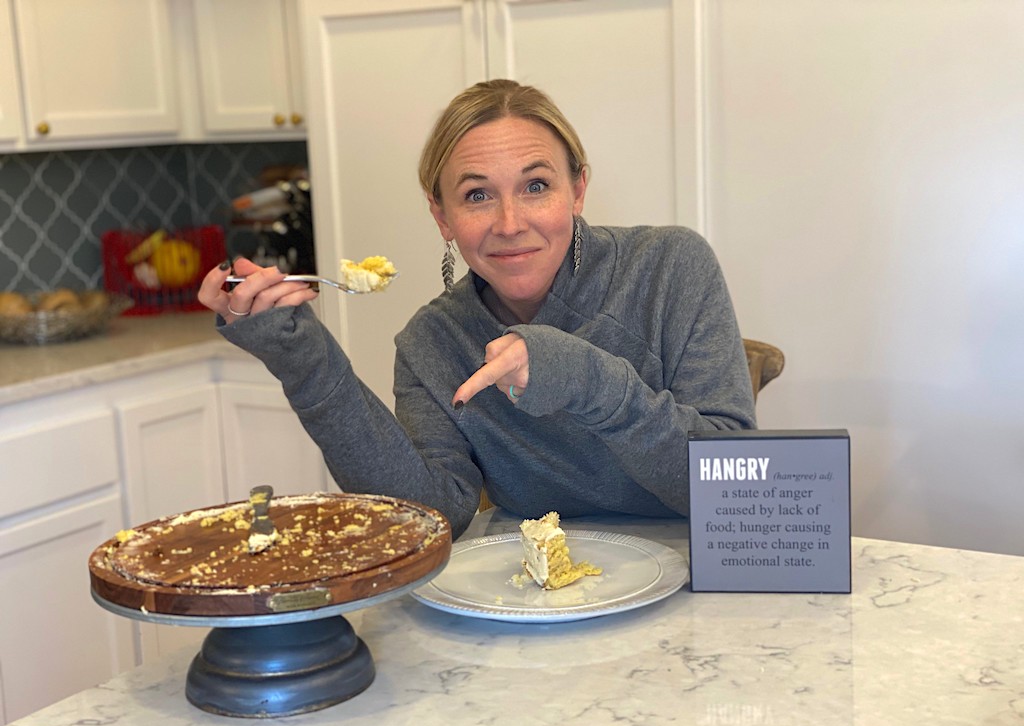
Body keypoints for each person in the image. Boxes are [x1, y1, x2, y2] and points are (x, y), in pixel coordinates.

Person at [198, 79, 756, 539]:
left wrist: (586, 378)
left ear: (578, 189)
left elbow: (733, 488)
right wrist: (302, 359)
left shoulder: (670, 267)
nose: (510, 223)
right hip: (537, 603)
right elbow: (430, 515)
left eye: (536, 185)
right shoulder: (432, 343)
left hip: (695, 584)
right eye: (477, 195)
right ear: (441, 216)